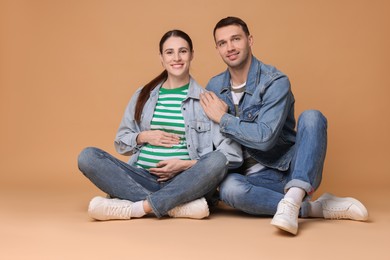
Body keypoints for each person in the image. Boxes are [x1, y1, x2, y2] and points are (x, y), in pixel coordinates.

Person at [200, 16, 368, 235]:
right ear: (217, 49)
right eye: (222, 43)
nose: (230, 47)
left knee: (312, 117)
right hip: (255, 180)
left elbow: (265, 138)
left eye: (235, 39)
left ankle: (295, 193)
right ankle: (309, 206)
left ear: (249, 40)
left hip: (291, 167)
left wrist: (224, 119)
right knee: (229, 189)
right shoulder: (214, 86)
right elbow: (210, 140)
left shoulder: (274, 81)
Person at [78, 29, 242, 221]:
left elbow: (232, 155)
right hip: (142, 177)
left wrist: (186, 165)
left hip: (187, 182)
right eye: (169, 52)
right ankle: (175, 206)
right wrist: (144, 136)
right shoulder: (143, 95)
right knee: (88, 157)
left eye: (183, 51)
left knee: (217, 161)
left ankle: (139, 207)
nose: (177, 58)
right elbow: (121, 143)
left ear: (191, 55)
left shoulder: (206, 100)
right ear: (161, 58)